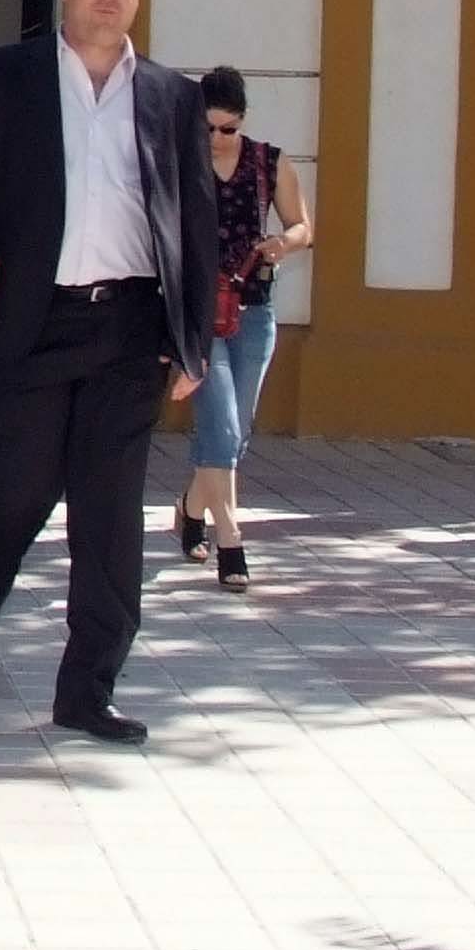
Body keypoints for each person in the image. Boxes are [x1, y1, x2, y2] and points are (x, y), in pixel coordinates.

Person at [0, 0, 221, 745]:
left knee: (109, 520)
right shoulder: (6, 79)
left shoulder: (172, 98)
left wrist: (194, 342)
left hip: (128, 328)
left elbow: (198, 229)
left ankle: (87, 690)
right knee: (18, 493)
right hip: (28, 326)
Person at [178, 66, 310, 594]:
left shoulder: (269, 163)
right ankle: (230, 542)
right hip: (199, 311)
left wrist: (287, 242)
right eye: (207, 128)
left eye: (227, 129)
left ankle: (190, 508)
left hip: (254, 309)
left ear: (243, 122)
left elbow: (304, 225)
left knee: (238, 429)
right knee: (222, 427)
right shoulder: (181, 162)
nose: (216, 139)